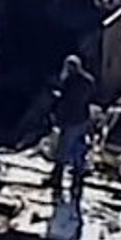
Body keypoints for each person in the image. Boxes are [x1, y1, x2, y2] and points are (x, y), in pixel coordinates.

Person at [50, 54, 96, 199]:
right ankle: (77, 182)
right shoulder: (89, 81)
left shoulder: (69, 81)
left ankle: (57, 180)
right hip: (83, 119)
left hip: (70, 120)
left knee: (62, 151)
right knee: (79, 151)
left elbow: (66, 100)